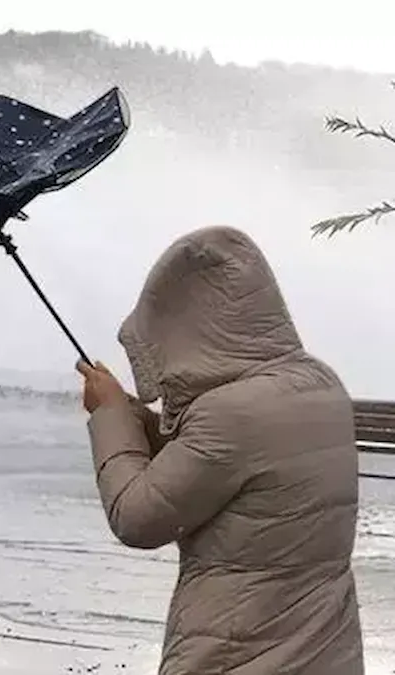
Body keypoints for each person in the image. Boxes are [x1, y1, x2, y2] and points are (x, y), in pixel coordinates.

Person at [76, 225, 363, 675]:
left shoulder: (232, 413)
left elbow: (137, 519)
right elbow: (220, 467)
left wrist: (110, 417)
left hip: (237, 650)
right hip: (321, 648)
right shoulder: (318, 384)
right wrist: (135, 418)